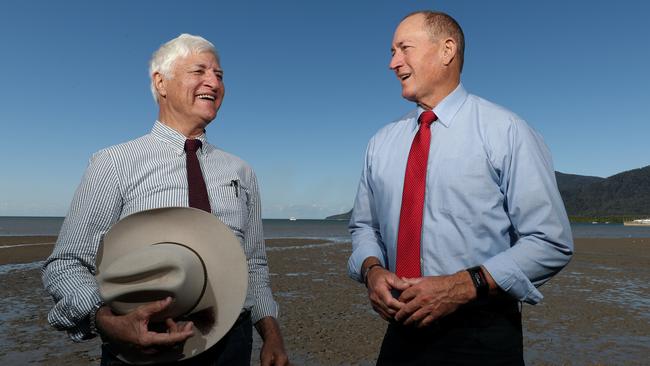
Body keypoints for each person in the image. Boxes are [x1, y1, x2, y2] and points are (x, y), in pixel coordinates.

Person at [42, 34, 289, 366]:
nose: (213, 82)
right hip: (142, 345)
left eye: (219, 75)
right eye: (199, 71)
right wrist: (106, 321)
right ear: (161, 83)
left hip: (233, 342)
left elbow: (254, 266)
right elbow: (66, 264)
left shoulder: (242, 172)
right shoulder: (114, 162)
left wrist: (271, 335)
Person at [348, 11, 573, 365]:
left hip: (482, 336)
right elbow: (364, 226)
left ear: (446, 50)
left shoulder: (507, 131)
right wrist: (371, 270)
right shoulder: (380, 143)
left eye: (404, 48)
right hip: (400, 333)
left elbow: (550, 241)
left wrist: (464, 286)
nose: (393, 63)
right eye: (392, 52)